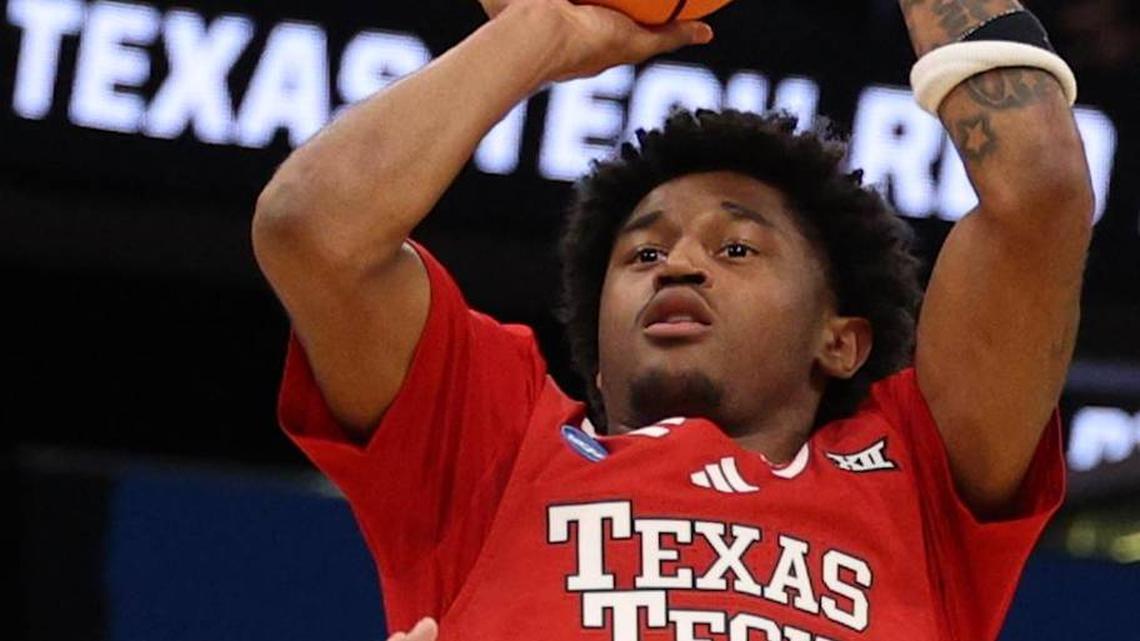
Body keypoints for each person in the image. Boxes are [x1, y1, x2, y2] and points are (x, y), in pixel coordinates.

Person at [251, 0, 1094, 639]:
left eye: (738, 250)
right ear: (600, 361)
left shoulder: (918, 472)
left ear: (840, 338)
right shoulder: (494, 445)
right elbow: (314, 231)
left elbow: (1041, 192)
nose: (680, 263)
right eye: (643, 256)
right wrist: (539, 32)